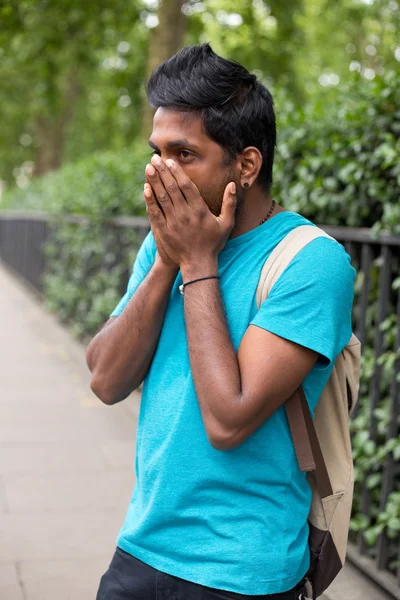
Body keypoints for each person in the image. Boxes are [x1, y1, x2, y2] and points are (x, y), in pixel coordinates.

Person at [86, 43, 356, 600]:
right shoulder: (165, 245)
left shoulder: (311, 262)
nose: (161, 171)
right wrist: (168, 258)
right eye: (156, 152)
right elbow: (106, 380)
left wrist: (198, 262)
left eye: (183, 154)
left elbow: (228, 421)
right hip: (141, 547)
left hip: (241, 571)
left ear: (246, 164)